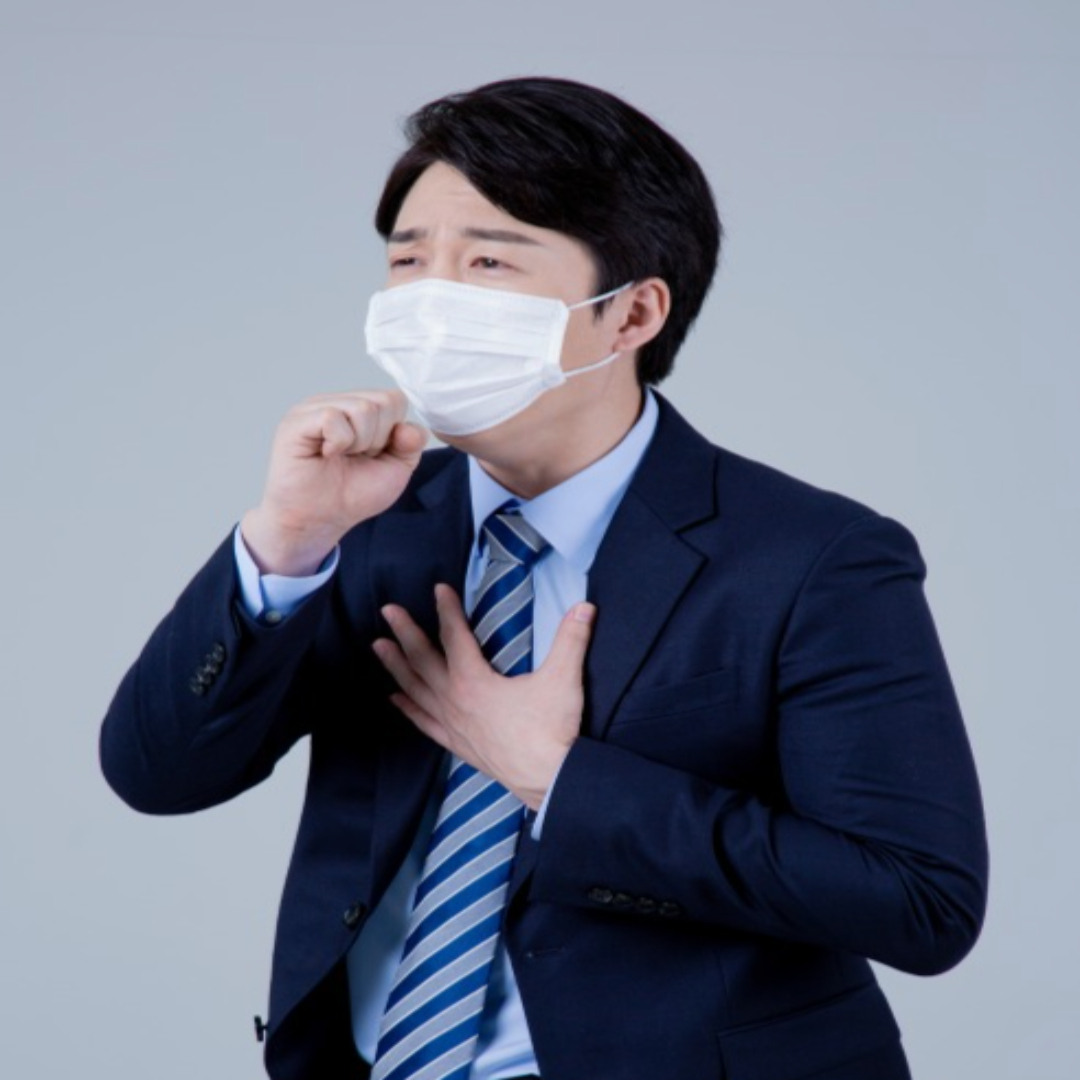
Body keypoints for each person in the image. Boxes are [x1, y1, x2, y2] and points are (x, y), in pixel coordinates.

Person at [100, 77, 988, 1080]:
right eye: (408, 260)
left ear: (632, 313)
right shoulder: (364, 520)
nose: (433, 300)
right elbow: (156, 775)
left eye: (488, 260)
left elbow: (920, 901)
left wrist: (558, 780)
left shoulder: (813, 557)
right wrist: (286, 542)